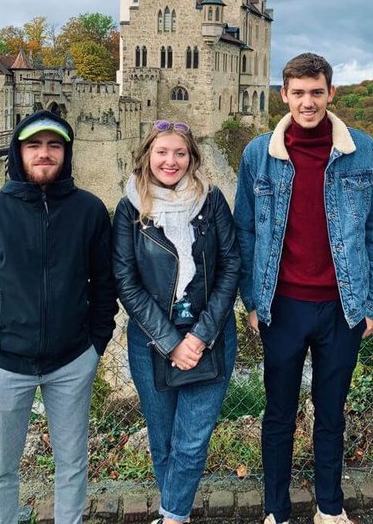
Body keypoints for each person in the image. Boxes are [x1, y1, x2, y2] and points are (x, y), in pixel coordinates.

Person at [234, 53, 373, 524]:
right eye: (297, 93)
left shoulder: (361, 150)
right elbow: (245, 231)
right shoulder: (258, 153)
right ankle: (276, 512)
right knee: (278, 415)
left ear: (330, 93)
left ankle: (329, 508)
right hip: (281, 306)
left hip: (342, 307)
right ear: (283, 95)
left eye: (316, 92)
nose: (307, 102)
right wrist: (252, 301)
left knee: (330, 414)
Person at [0, 110, 117, 524]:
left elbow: (105, 284)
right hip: (5, 364)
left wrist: (95, 345)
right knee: (0, 469)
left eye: (54, 145)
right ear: (18, 152)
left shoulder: (89, 211)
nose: (45, 154)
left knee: (73, 465)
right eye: (34, 145)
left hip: (71, 361)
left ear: (66, 152)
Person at [112, 120, 240, 524]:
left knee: (191, 441)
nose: (171, 161)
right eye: (162, 152)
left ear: (192, 158)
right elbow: (126, 281)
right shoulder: (130, 208)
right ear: (148, 155)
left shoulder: (212, 200)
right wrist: (171, 341)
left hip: (211, 335)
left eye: (180, 153)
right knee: (163, 439)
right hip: (152, 340)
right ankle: (175, 514)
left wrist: (200, 336)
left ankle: (172, 518)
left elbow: (231, 266)